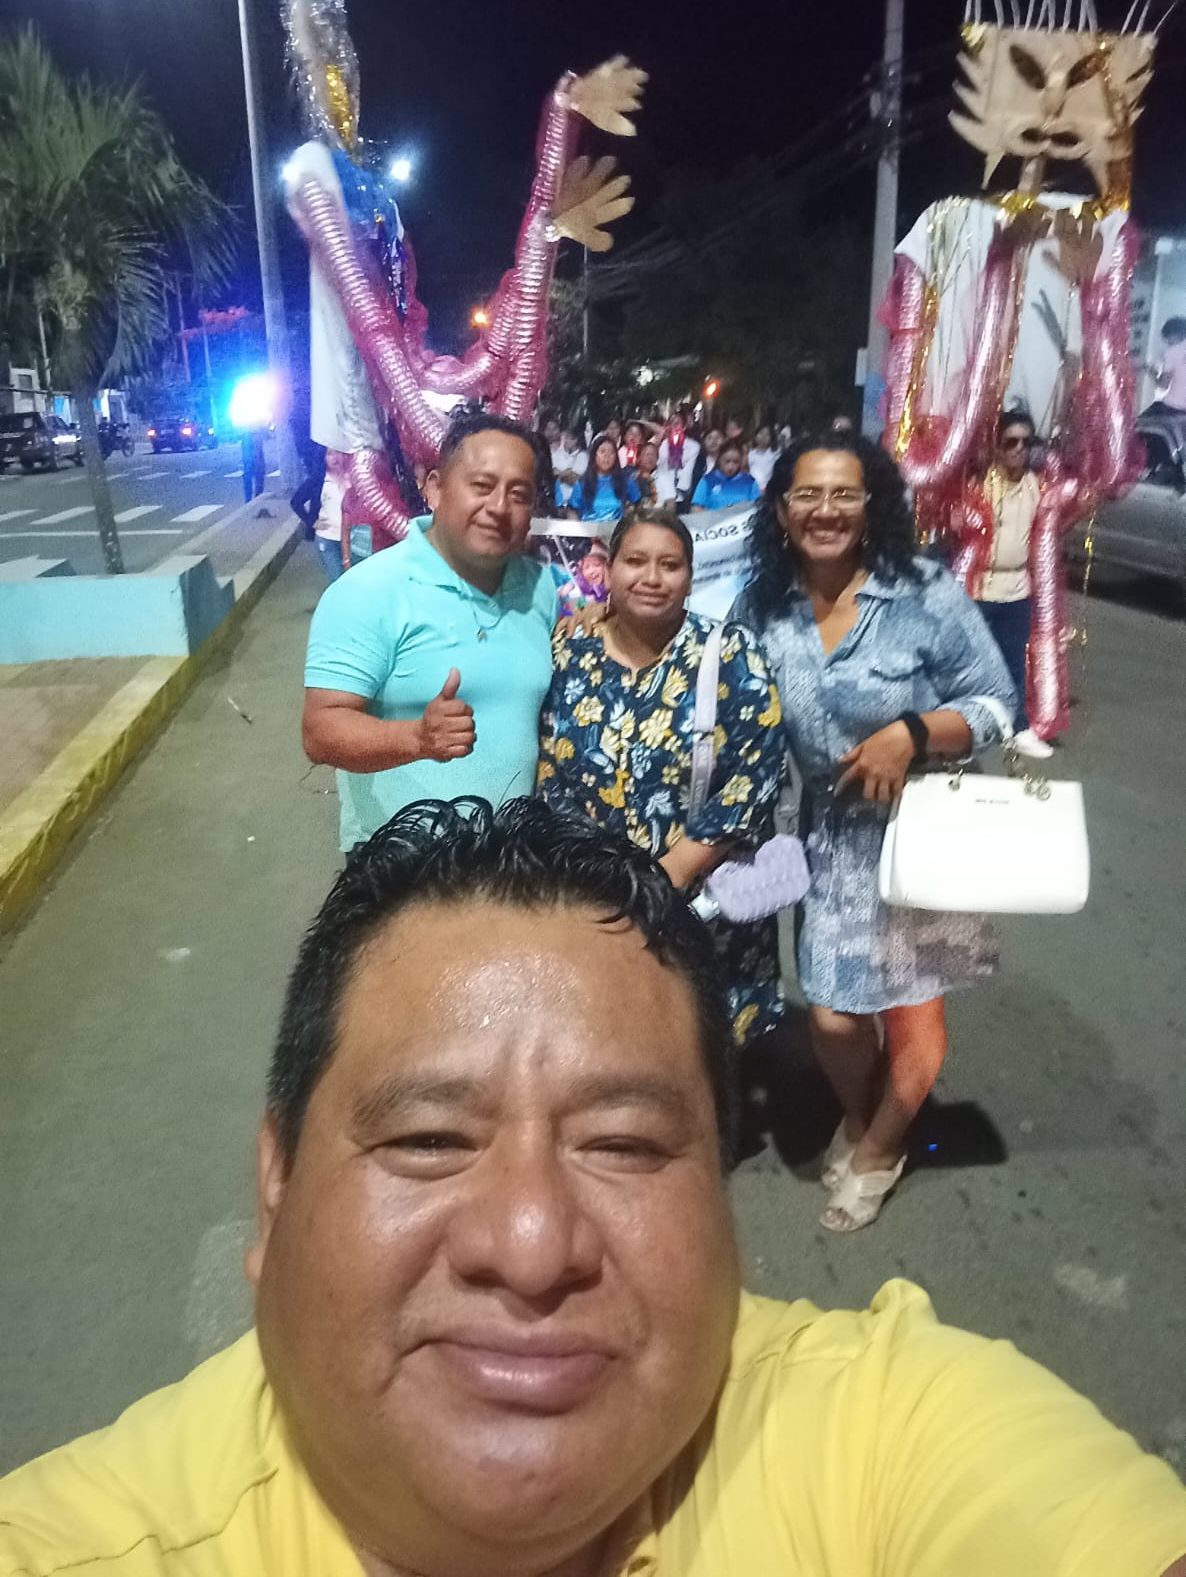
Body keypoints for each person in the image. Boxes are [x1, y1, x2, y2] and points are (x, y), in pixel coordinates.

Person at [5, 799, 1186, 1577]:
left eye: (622, 1144)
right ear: (276, 1185)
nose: (530, 1245)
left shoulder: (886, 1434)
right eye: (429, 1139)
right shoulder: (84, 1545)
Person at [733, 429, 1017, 1233]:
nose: (825, 510)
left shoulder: (923, 589)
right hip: (828, 840)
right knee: (832, 1016)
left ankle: (881, 1144)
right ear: (782, 509)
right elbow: (709, 675)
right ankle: (862, 1115)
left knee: (914, 1017)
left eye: (844, 493)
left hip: (923, 830)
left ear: (871, 504)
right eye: (808, 494)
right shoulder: (763, 604)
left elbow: (998, 703)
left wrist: (913, 732)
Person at [538, 505, 784, 1045]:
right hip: (595, 900)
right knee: (605, 1044)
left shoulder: (730, 652)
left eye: (670, 565)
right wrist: (594, 882)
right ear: (609, 570)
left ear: (690, 579)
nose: (652, 578)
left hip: (701, 901)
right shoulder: (569, 651)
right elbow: (550, 769)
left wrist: (667, 877)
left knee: (699, 1051)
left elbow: (756, 773)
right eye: (635, 561)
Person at [302, 413, 559, 852]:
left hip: (511, 858)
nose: (499, 507)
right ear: (435, 488)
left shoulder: (539, 586)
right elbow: (320, 732)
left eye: (519, 494)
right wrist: (417, 739)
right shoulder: (369, 591)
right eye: (482, 485)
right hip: (405, 863)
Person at [959, 410, 1052, 760]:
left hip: (1017, 592)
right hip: (979, 591)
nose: (1019, 449)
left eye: (1026, 442)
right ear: (997, 446)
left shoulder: (1036, 486)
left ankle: (1019, 728)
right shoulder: (978, 485)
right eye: (1011, 442)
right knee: (970, 665)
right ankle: (963, 731)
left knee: (1014, 664)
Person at [569, 433, 642, 521]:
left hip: (616, 529)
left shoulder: (626, 481)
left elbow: (639, 506)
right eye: (602, 451)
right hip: (588, 528)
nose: (606, 456)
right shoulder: (582, 483)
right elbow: (572, 511)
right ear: (594, 455)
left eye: (611, 453)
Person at [690, 437, 762, 511]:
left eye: (736, 462)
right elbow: (696, 507)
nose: (731, 467)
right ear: (719, 460)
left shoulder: (750, 482)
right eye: (727, 461)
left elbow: (758, 507)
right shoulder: (707, 481)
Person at [1142, 316, 1186, 417]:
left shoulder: (1173, 351)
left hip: (1174, 408)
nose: (1167, 343)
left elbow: (1163, 385)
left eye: (1168, 339)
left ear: (1175, 334)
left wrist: (1151, 372)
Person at [656, 412, 700, 507]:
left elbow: (688, 469)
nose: (675, 425)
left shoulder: (694, 446)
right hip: (666, 489)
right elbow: (660, 466)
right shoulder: (664, 445)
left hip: (683, 489)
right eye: (672, 423)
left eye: (678, 423)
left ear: (684, 427)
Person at [551, 424, 588, 506]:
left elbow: (574, 479)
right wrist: (566, 473)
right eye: (565, 437)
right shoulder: (558, 454)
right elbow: (552, 473)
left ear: (576, 440)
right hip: (558, 500)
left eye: (569, 438)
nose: (566, 440)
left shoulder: (582, 456)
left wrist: (559, 476)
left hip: (573, 501)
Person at [746, 422, 778, 492]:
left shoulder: (775, 455)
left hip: (767, 490)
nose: (763, 437)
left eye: (767, 434)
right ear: (755, 436)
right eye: (761, 433)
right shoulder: (749, 454)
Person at [632, 438, 662, 504]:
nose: (650, 458)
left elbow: (671, 506)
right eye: (647, 454)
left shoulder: (664, 478)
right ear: (638, 458)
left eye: (653, 455)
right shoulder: (631, 478)